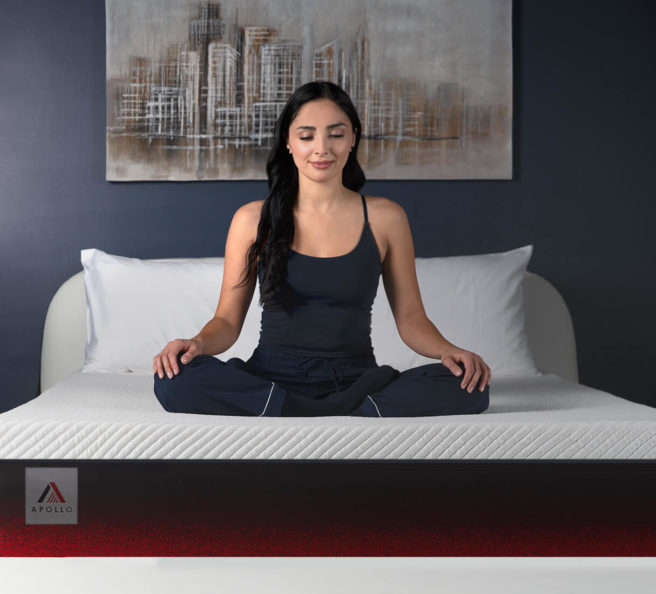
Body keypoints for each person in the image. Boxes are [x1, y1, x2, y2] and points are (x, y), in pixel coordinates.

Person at [152, 81, 490, 418]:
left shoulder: (386, 217)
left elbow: (412, 320)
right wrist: (196, 343)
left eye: (336, 134)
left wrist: (449, 350)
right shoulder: (252, 219)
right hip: (272, 377)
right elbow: (226, 321)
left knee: (471, 385)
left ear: (353, 137)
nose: (322, 148)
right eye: (307, 135)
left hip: (357, 379)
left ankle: (294, 408)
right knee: (173, 380)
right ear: (288, 141)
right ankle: (346, 411)